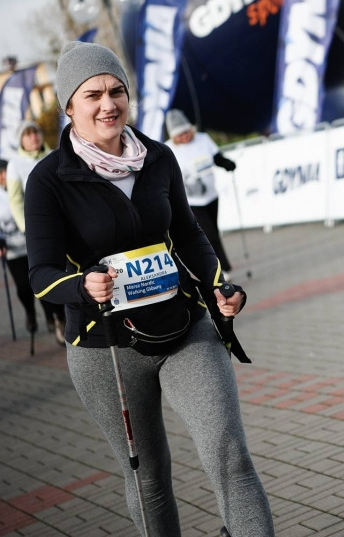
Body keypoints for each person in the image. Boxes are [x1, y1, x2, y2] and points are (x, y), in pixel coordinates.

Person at [25, 41, 274, 537]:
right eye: (92, 94)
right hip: (105, 350)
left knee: (229, 454)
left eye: (117, 91)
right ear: (69, 106)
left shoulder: (158, 157)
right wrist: (82, 285)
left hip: (184, 327)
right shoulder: (49, 179)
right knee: (149, 477)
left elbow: (189, 234)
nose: (108, 104)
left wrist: (220, 287)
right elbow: (41, 275)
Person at [7, 119, 66, 342]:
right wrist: (28, 228)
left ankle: (61, 317)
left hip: (60, 230)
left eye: (36, 133)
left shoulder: (55, 155)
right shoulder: (15, 164)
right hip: (33, 234)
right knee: (36, 280)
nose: (33, 137)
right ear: (21, 140)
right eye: (28, 134)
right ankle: (46, 315)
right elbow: (15, 201)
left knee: (61, 275)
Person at [164, 109, 237, 281]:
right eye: (179, 135)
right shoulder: (168, 149)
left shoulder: (203, 139)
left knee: (214, 232)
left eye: (186, 132)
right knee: (208, 234)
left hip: (211, 196)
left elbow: (216, 157)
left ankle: (219, 267)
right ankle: (220, 270)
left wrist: (227, 163)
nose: (184, 137)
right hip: (191, 201)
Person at [0, 158, 37, 337]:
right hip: (12, 250)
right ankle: (30, 313)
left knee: (42, 283)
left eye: (5, 171)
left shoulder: (23, 186)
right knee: (23, 287)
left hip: (32, 245)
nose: (3, 176)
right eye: (0, 173)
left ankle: (55, 318)